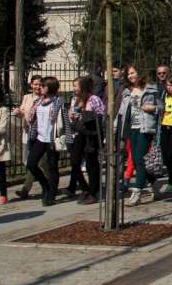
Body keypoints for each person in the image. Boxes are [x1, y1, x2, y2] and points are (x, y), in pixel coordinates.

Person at [116, 66, 161, 206]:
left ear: (139, 74)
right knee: (135, 161)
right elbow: (121, 112)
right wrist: (115, 127)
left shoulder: (151, 89)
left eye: (133, 72)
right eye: (128, 74)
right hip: (131, 128)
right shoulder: (126, 92)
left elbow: (161, 106)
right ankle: (153, 182)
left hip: (145, 128)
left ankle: (137, 192)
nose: (130, 76)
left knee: (139, 158)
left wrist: (152, 108)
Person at [26, 77, 69, 207]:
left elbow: (65, 121)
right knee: (31, 164)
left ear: (50, 87)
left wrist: (68, 138)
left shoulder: (58, 102)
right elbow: (32, 119)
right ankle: (45, 185)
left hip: (52, 138)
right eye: (40, 85)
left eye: (43, 86)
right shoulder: (38, 102)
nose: (40, 88)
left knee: (52, 167)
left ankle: (51, 195)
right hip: (39, 137)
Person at [67, 76, 104, 205]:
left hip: (90, 134)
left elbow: (100, 117)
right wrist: (72, 116)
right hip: (79, 133)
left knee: (91, 163)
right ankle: (84, 187)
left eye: (76, 86)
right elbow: (73, 116)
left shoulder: (94, 99)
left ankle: (94, 192)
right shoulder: (75, 100)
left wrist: (87, 114)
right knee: (74, 160)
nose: (74, 89)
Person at [13, 75, 42, 199]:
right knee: (31, 162)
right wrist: (19, 113)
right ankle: (51, 183)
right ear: (31, 85)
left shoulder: (44, 99)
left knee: (33, 162)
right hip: (27, 132)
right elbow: (23, 112)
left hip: (39, 134)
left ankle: (26, 189)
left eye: (40, 84)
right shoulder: (26, 97)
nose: (37, 87)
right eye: (35, 84)